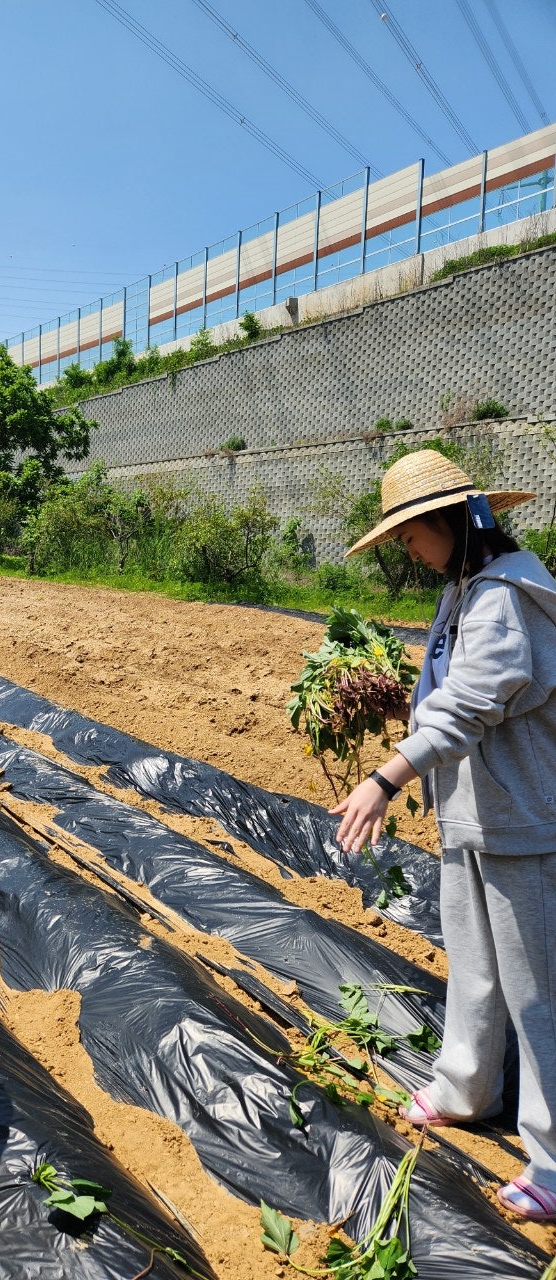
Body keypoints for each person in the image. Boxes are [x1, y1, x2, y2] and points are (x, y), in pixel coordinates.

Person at [331, 448, 556, 1222]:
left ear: (449, 523)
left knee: (539, 996)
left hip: (523, 821)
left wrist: (384, 778)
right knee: (474, 963)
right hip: (475, 814)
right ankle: (466, 1086)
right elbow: (448, 694)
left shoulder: (505, 595)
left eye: (408, 535)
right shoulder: (465, 589)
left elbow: (472, 705)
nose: (406, 550)